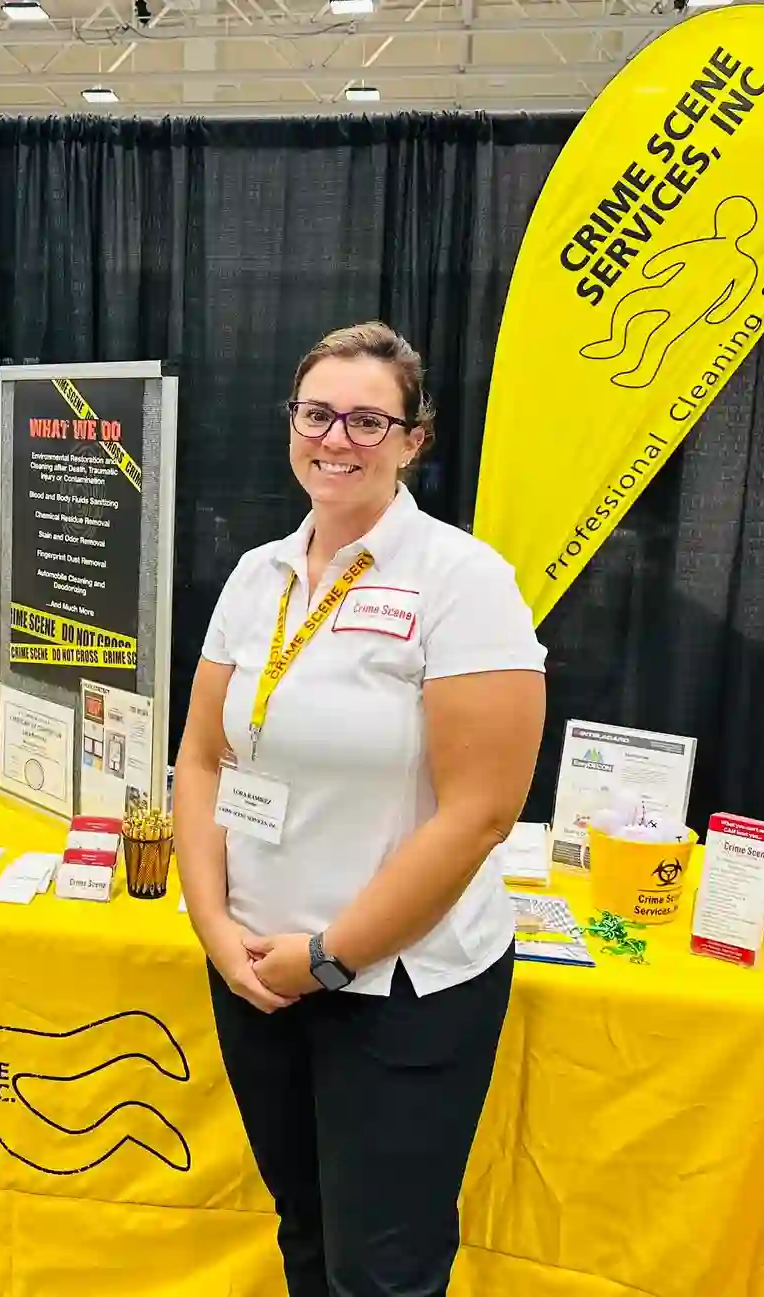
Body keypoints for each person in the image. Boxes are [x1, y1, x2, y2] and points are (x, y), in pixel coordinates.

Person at [174, 321, 547, 1296]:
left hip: (397, 990)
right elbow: (202, 760)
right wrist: (215, 927)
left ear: (413, 438)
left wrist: (333, 953)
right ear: (289, 423)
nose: (336, 438)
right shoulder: (258, 576)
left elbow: (478, 813)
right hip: (256, 975)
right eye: (317, 413)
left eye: (367, 419)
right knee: (304, 1230)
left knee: (380, 1271)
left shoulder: (464, 582)